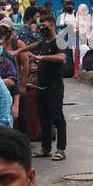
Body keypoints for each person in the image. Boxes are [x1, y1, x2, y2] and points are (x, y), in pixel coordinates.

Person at [29, 16, 68, 160]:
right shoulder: (44, 41)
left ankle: (61, 149)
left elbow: (61, 57)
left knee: (57, 118)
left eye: (44, 26)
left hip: (54, 86)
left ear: (51, 26)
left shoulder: (59, 41)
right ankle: (45, 148)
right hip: (41, 86)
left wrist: (41, 58)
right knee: (43, 118)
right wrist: (19, 51)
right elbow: (35, 46)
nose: (42, 29)